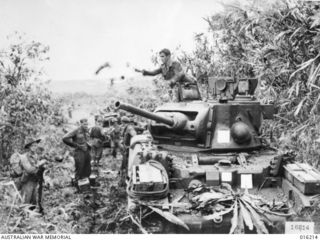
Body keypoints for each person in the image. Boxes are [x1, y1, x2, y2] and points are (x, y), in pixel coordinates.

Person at [13, 137, 47, 208]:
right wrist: (39, 164)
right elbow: (29, 170)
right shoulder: (24, 157)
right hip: (27, 182)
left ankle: (32, 217)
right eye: (33, 146)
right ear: (29, 147)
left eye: (36, 145)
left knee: (34, 204)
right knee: (25, 204)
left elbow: (37, 170)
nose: (35, 147)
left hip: (35, 181)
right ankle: (24, 218)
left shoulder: (36, 156)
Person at [62, 118, 91, 191]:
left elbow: (87, 139)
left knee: (87, 168)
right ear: (80, 124)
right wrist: (75, 145)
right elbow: (65, 138)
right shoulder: (76, 130)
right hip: (79, 152)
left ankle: (85, 185)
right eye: (84, 124)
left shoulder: (87, 130)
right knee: (79, 168)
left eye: (87, 124)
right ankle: (77, 186)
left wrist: (88, 145)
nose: (86, 125)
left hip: (86, 151)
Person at [120, 116, 137, 186]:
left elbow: (134, 135)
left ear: (124, 122)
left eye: (122, 123)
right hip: (125, 148)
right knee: (125, 162)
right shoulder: (126, 128)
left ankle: (128, 178)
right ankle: (125, 176)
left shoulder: (129, 128)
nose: (122, 124)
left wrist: (131, 145)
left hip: (128, 148)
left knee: (127, 163)